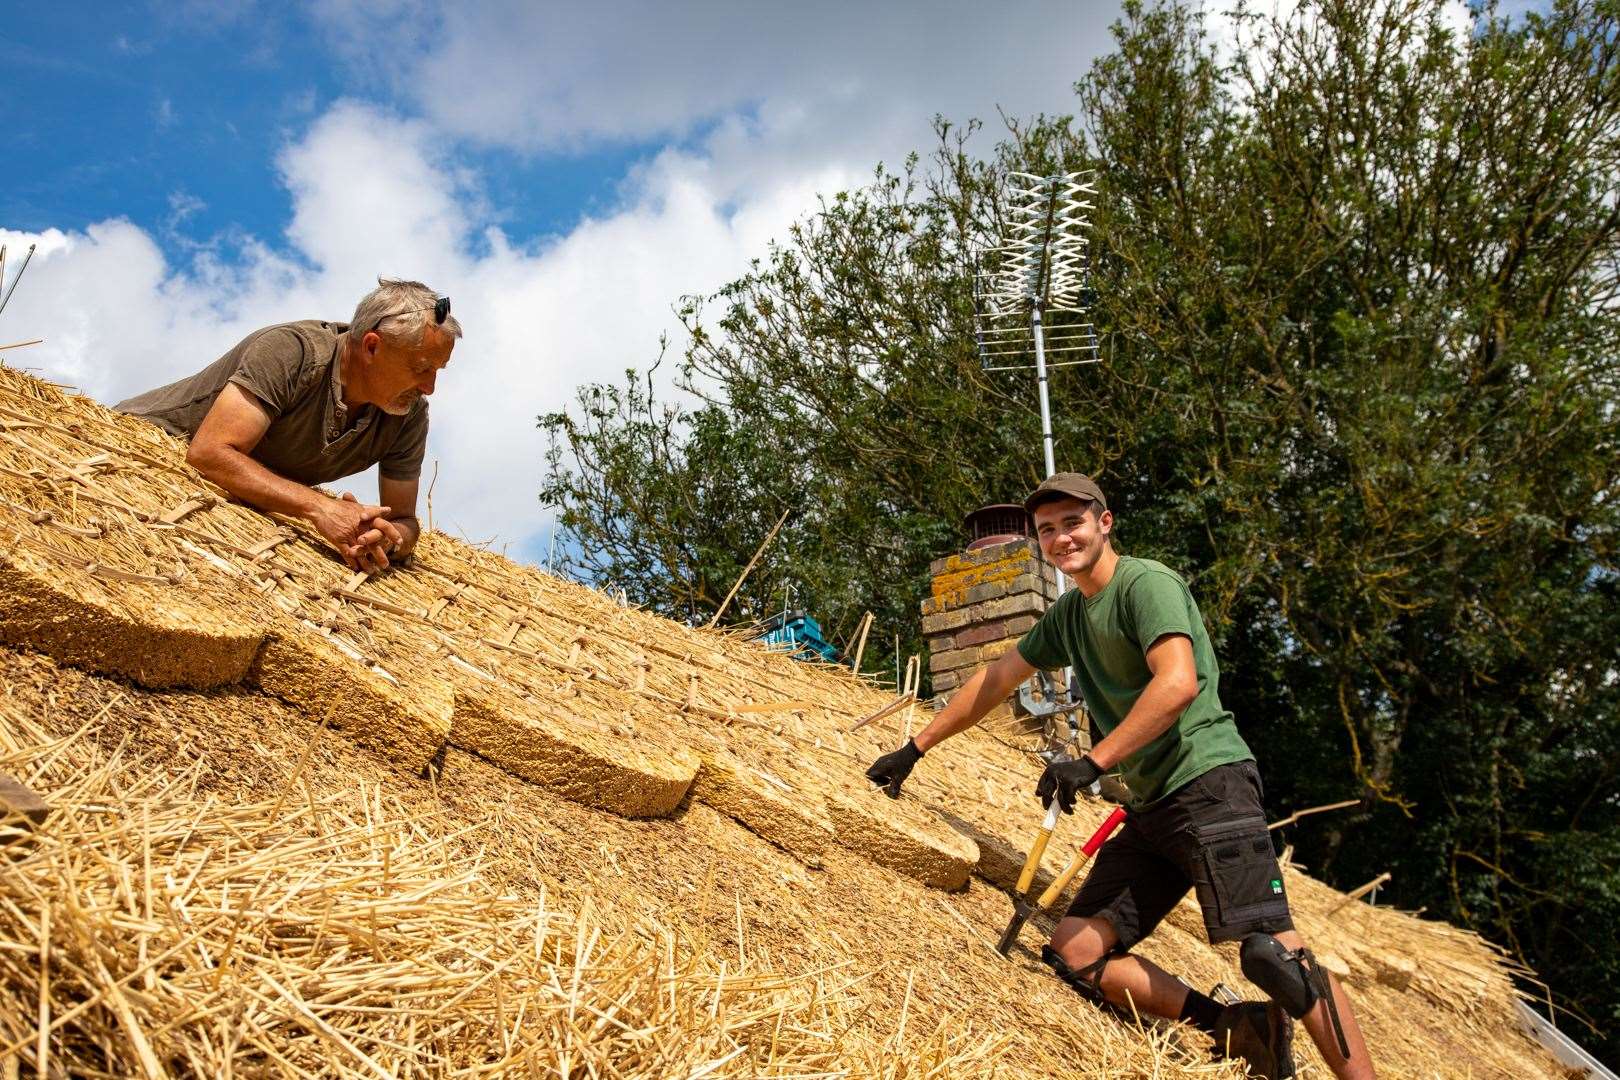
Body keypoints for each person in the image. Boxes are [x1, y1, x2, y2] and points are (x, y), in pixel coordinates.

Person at [865, 473, 1375, 1080]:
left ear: (1104, 523)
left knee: (1273, 955)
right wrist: (916, 748)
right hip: (1151, 805)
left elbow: (1177, 683)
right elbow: (996, 678)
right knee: (1074, 948)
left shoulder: (1145, 584)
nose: (1061, 538)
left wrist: (1094, 760)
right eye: (1047, 530)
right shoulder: (1070, 615)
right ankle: (1236, 1028)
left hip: (1209, 782)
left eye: (1072, 523)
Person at [117, 279, 460, 572]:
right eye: (420, 368)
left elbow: (404, 519)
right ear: (371, 346)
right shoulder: (292, 353)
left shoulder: (407, 414)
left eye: (437, 371)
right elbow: (210, 452)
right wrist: (320, 506)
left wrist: (389, 537)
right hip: (139, 462)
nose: (429, 387)